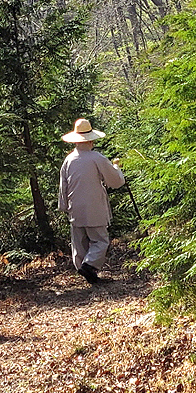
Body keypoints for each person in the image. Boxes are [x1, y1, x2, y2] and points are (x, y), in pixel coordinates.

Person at [57, 118, 125, 284]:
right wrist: (117, 168)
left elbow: (63, 185)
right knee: (100, 240)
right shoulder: (97, 157)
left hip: (75, 208)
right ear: (91, 139)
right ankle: (89, 266)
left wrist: (64, 206)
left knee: (80, 243)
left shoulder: (69, 160)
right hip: (94, 206)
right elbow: (115, 181)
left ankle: (86, 271)